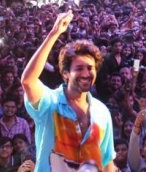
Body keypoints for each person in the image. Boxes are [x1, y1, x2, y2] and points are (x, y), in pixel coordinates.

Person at [21, 11, 115, 171]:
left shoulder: (102, 111)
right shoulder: (49, 102)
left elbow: (106, 162)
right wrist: (54, 33)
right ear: (65, 74)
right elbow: (28, 81)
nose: (86, 73)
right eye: (79, 68)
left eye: (90, 68)